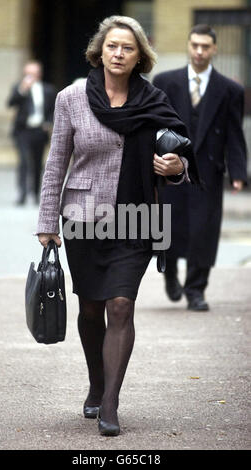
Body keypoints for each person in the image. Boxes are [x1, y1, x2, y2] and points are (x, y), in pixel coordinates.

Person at [36, 16, 199, 437]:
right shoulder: (72, 97)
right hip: (83, 219)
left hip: (138, 217)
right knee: (90, 308)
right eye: (112, 46)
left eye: (128, 48)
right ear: (100, 50)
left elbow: (177, 151)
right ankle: (96, 381)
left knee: (121, 305)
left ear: (139, 55)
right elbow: (57, 160)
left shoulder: (154, 100)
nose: (119, 54)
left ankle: (110, 402)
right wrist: (46, 219)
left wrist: (176, 167)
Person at [153, 24, 247, 312]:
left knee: (204, 231)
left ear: (214, 49)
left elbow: (234, 132)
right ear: (188, 45)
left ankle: (196, 290)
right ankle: (169, 275)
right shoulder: (165, 81)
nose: (199, 51)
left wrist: (239, 172)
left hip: (208, 170)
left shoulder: (230, 89)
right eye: (195, 45)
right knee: (168, 225)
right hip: (170, 169)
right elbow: (154, 125)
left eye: (205, 46)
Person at [7, 60, 57, 205]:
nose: (31, 76)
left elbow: (52, 110)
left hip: (39, 131)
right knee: (23, 161)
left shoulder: (48, 89)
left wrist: (48, 123)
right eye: (28, 73)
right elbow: (11, 103)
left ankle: (35, 193)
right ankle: (22, 193)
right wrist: (22, 90)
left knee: (37, 163)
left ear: (39, 74)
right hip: (23, 131)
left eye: (33, 73)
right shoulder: (19, 88)